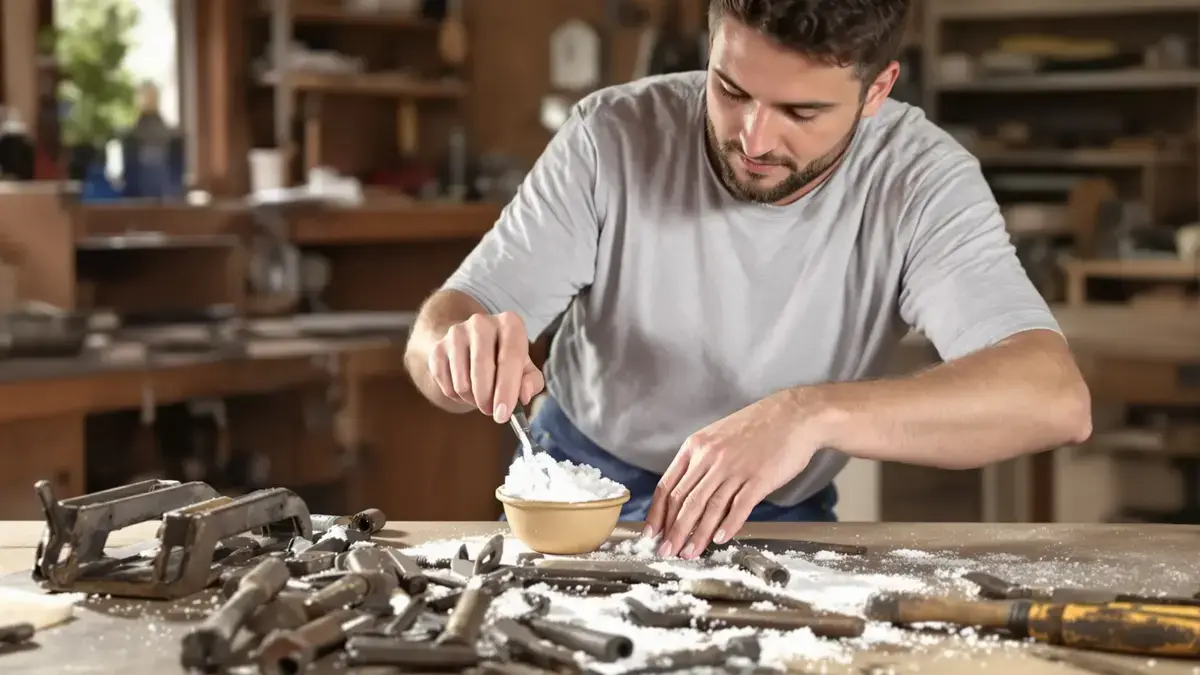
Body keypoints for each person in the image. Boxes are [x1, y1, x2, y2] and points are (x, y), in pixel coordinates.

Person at [403, 0, 1092, 559]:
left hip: (779, 510)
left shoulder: (923, 181)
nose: (755, 140)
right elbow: (445, 327)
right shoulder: (610, 137)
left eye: (801, 112)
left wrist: (808, 413)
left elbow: (1053, 398)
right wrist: (454, 353)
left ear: (877, 89)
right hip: (581, 494)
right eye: (731, 90)